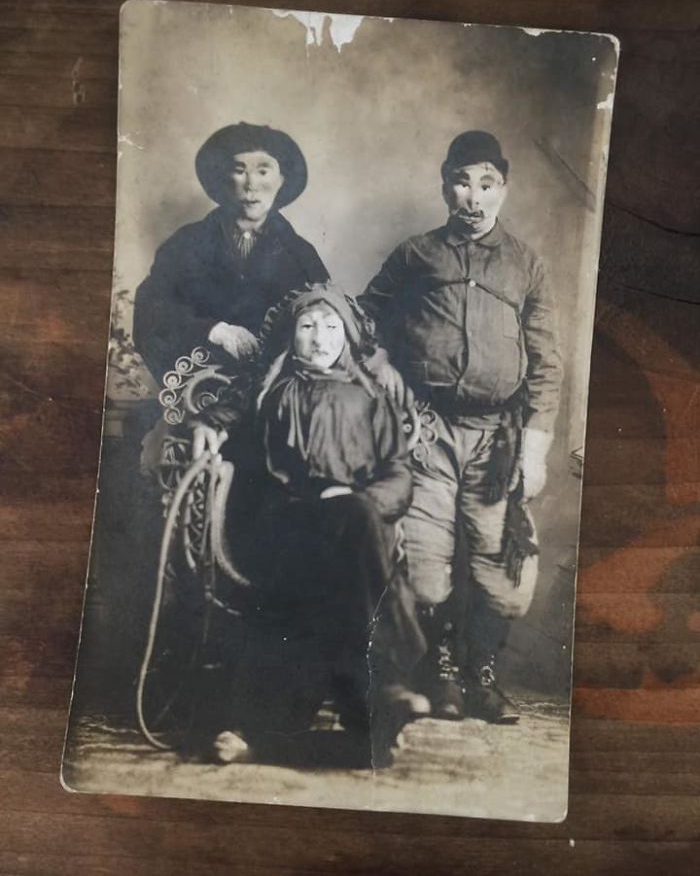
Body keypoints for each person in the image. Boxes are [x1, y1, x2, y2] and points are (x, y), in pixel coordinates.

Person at [360, 131, 562, 724]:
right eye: (461, 182)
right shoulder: (415, 254)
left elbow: (547, 362)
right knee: (424, 567)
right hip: (424, 435)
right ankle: (443, 672)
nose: (472, 197)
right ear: (445, 183)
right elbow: (362, 319)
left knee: (503, 575)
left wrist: (536, 447)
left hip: (498, 440)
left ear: (504, 187)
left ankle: (484, 677)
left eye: (486, 184)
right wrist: (382, 371)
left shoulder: (528, 264)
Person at [201, 283, 428, 768]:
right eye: (308, 327)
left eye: (330, 327)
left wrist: (358, 500)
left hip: (355, 527)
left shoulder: (371, 398)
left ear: (346, 335)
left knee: (355, 517)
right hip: (285, 522)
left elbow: (400, 475)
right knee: (348, 529)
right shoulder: (271, 391)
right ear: (292, 337)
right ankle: (383, 682)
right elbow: (231, 416)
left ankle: (274, 730)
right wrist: (207, 424)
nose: (320, 338)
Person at [133, 122, 329, 384]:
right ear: (222, 179)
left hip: (276, 394)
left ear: (282, 179)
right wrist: (214, 330)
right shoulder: (185, 243)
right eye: (239, 170)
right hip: (201, 390)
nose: (251, 185)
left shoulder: (300, 254)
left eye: (263, 171)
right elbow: (151, 311)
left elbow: (325, 323)